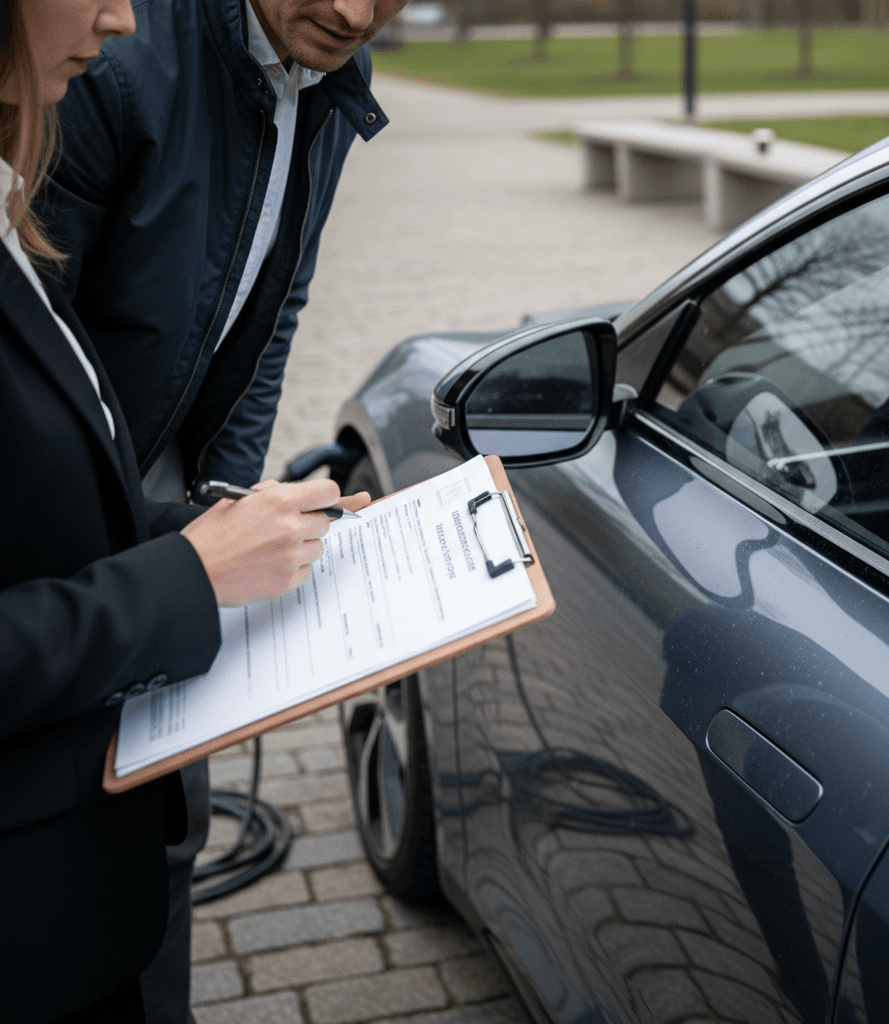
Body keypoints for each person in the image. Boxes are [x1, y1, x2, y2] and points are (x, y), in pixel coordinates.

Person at [39, 0, 410, 1016]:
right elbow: (35, 339)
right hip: (61, 473)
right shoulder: (111, 68)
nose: (350, 10)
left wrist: (222, 498)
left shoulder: (331, 85)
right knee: (86, 785)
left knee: (173, 798)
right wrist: (161, 565)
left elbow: (276, 305)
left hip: (161, 484)